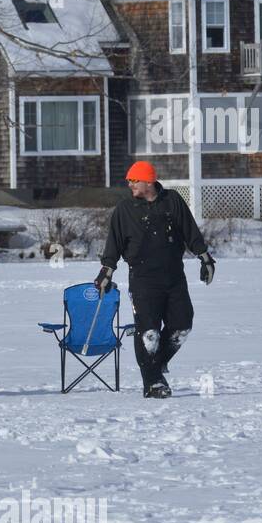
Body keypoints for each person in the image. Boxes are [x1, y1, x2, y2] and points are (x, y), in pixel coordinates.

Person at [95, 160, 216, 399]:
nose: (130, 184)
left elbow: (190, 231)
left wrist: (205, 258)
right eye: (129, 180)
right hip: (143, 279)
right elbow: (114, 244)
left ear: (148, 181)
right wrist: (106, 271)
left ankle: (157, 363)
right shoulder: (125, 210)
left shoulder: (172, 201)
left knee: (182, 326)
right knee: (149, 333)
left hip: (173, 276)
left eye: (134, 180)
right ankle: (153, 383)